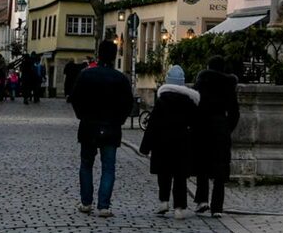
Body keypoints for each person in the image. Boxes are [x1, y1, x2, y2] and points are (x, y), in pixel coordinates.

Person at [69, 39, 134, 218]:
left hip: (88, 126)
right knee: (108, 167)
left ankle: (86, 202)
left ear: (99, 54)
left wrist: (81, 115)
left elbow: (74, 98)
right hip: (111, 127)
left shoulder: (85, 75)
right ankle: (104, 206)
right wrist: (119, 120)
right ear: (114, 57)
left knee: (86, 165)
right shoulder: (120, 78)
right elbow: (129, 104)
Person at [139, 64, 200, 219]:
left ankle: (164, 202)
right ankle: (179, 207)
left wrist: (145, 147)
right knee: (180, 176)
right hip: (182, 142)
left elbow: (152, 124)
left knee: (164, 174)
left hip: (162, 142)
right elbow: (196, 124)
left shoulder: (162, 100)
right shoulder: (189, 101)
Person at [193, 56, 240, 219]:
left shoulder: (202, 81)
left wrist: (194, 124)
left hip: (203, 126)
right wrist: (227, 127)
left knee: (202, 165)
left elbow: (194, 105)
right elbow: (234, 111)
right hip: (221, 126)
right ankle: (217, 207)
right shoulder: (229, 84)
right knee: (220, 168)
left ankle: (202, 200)